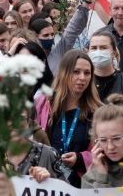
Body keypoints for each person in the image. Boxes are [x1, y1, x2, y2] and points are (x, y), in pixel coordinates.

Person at [34, 50, 102, 187]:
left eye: (87, 73)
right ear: (64, 73)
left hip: (81, 185)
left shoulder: (98, 112)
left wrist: (80, 159)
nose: (82, 77)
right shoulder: (44, 103)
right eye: (76, 72)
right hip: (47, 182)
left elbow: (106, 152)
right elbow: (33, 143)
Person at [81, 94, 123, 188]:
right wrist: (101, 179)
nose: (110, 147)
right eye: (103, 140)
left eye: (116, 139)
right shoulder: (91, 178)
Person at [87, 30, 123, 104]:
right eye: (94, 48)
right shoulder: (84, 82)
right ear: (88, 52)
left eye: (103, 48)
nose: (98, 52)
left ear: (114, 52)